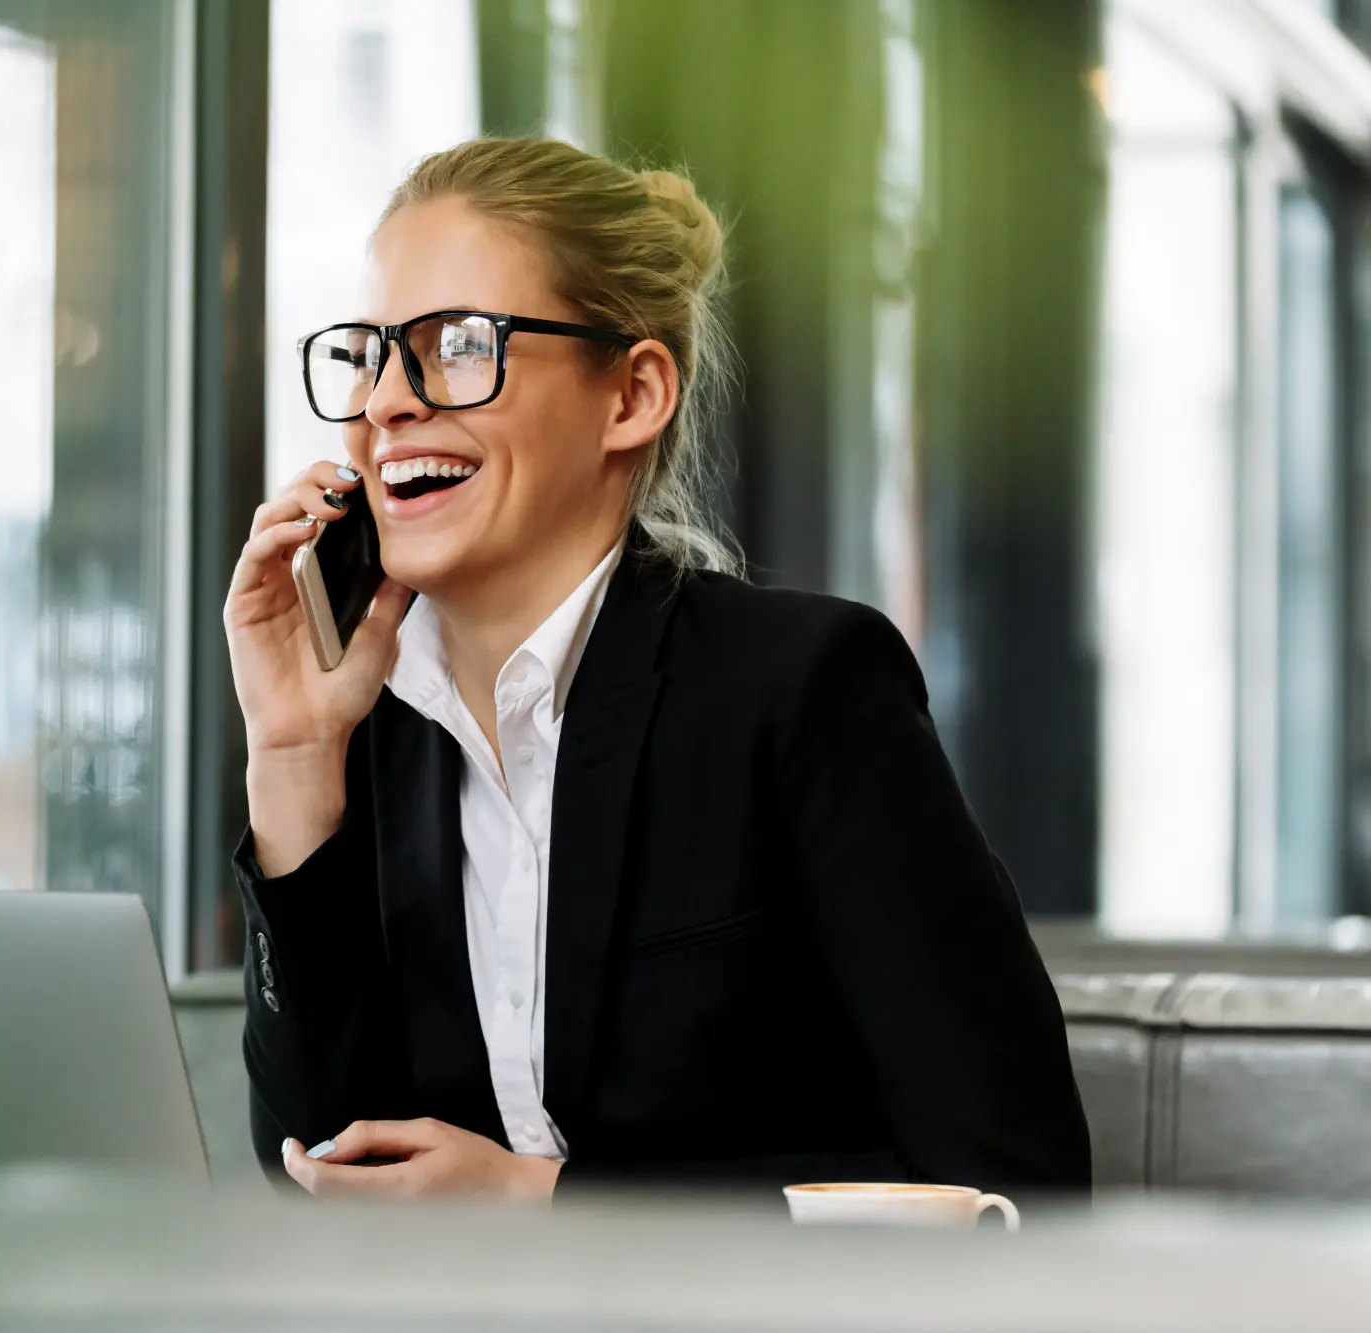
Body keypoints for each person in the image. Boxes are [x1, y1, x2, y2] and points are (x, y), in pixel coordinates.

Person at [224, 136, 1090, 1203]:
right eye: (365, 354)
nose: (386, 403)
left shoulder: (804, 687)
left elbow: (1012, 1183)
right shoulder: (367, 730)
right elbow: (315, 1184)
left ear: (630, 395)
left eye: (455, 344)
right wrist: (293, 751)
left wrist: (542, 1207)